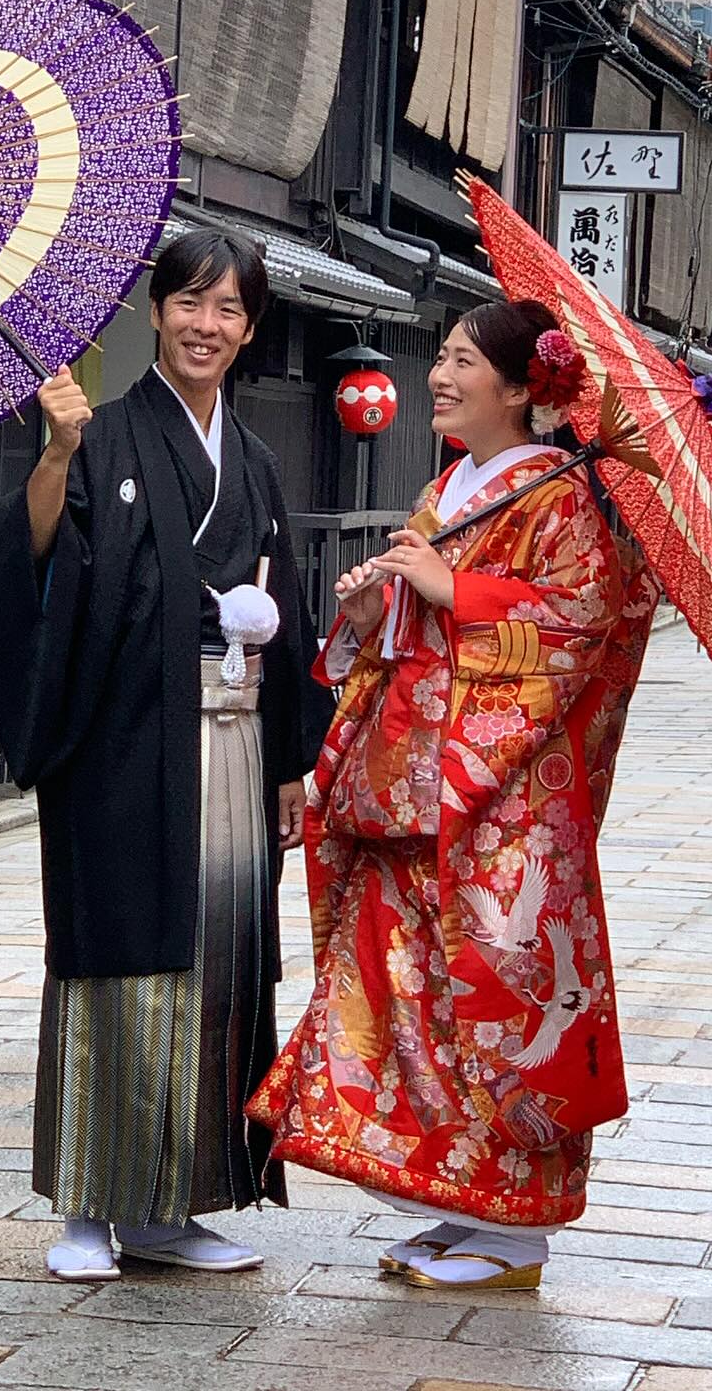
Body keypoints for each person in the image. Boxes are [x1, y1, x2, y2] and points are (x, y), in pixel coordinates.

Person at [248, 298, 657, 1292]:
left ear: (519, 388)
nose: (438, 374)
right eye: (441, 355)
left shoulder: (561, 498)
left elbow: (581, 624)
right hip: (409, 795)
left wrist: (453, 592)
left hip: (500, 807)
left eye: (463, 360)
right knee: (409, 996)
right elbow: (412, 636)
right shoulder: (450, 489)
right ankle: (457, 1201)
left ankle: (516, 1230)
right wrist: (375, 612)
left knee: (497, 1005)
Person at [0, 232, 329, 1283]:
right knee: (118, 956)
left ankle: (177, 1205)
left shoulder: (255, 461)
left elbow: (289, 617)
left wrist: (290, 761)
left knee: (219, 962)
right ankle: (89, 1204)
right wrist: (55, 455)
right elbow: (24, 565)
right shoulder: (105, 436)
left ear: (250, 330)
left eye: (228, 310)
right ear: (157, 311)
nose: (206, 326)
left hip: (234, 745)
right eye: (189, 303)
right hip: (123, 746)